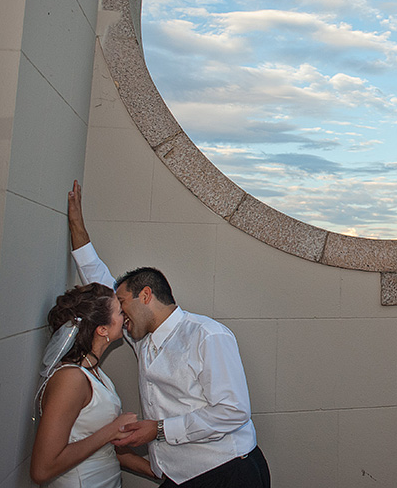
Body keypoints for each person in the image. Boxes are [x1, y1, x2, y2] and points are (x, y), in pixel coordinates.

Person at [66, 180, 270, 488]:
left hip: (228, 473)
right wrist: (77, 226)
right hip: (180, 476)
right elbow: (98, 277)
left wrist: (159, 430)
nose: (118, 314)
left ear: (145, 295)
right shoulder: (141, 339)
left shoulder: (207, 336)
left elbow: (233, 411)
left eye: (122, 304)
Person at [31, 283, 155, 486]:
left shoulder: (94, 372)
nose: (124, 315)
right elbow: (41, 470)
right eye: (119, 311)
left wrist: (162, 474)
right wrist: (111, 430)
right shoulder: (70, 379)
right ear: (102, 329)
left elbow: (106, 448)